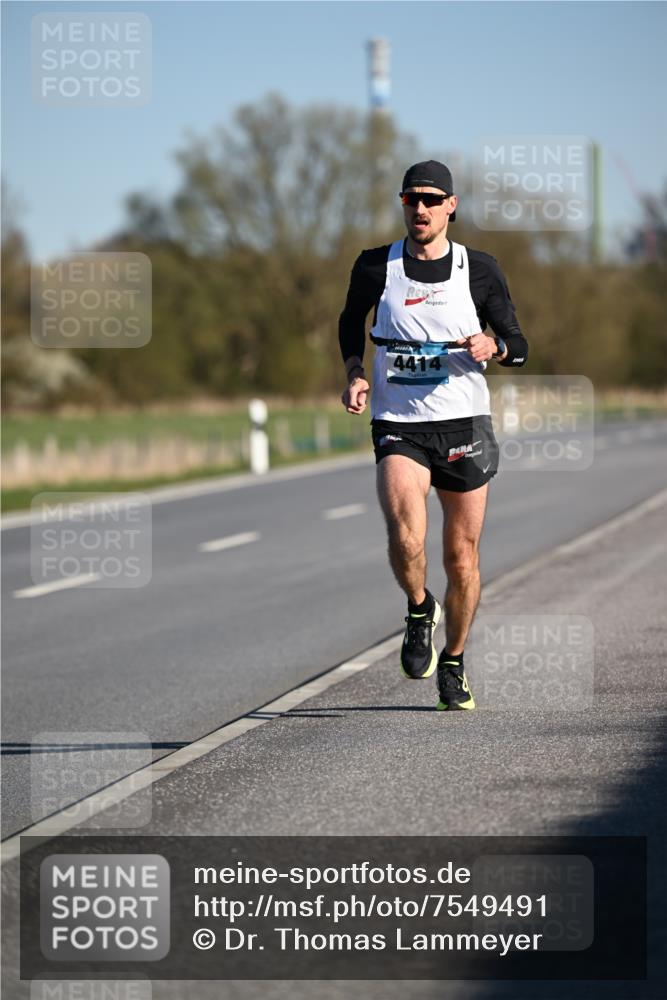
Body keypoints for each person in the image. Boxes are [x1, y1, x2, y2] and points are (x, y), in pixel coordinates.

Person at [338, 160, 528, 710]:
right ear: (402, 205)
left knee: (461, 557)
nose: (419, 208)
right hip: (399, 424)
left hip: (464, 424)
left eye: (430, 199)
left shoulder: (479, 269)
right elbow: (350, 322)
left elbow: (518, 344)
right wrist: (355, 371)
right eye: (410, 199)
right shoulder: (376, 266)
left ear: (450, 206)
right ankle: (420, 607)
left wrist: (495, 346)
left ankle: (454, 660)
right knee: (407, 537)